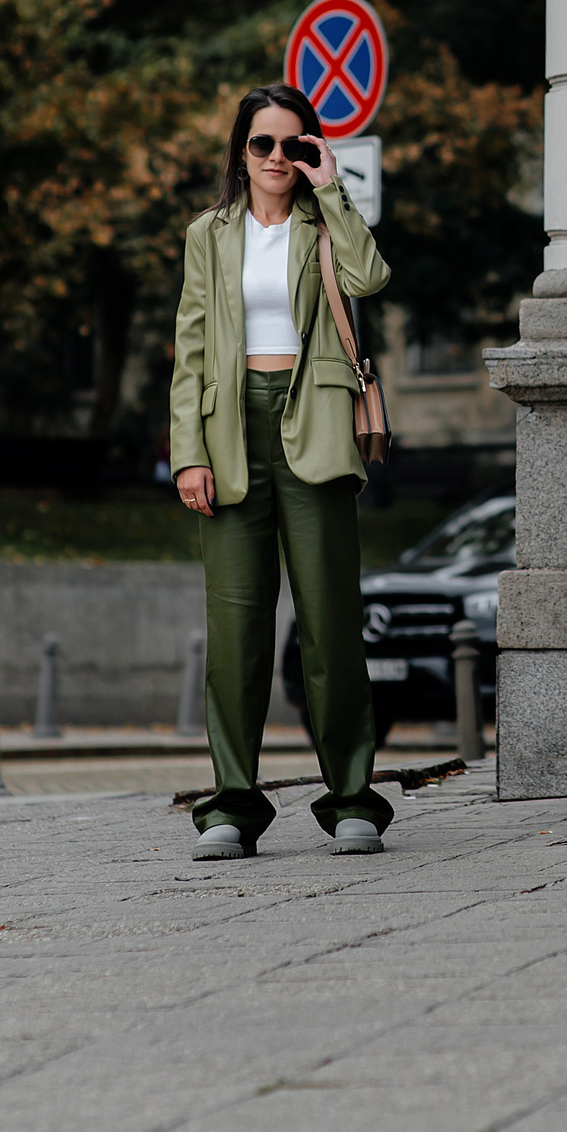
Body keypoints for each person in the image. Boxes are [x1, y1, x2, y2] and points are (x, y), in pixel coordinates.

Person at [168, 83, 393, 860]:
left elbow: (369, 279)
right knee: (235, 633)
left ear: (310, 152)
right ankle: (232, 803)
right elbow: (190, 352)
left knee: (331, 623)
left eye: (292, 145)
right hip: (231, 435)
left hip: (318, 429)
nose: (275, 158)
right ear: (240, 151)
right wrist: (186, 452)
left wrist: (333, 189)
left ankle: (353, 798)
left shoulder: (322, 223)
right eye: (262, 144)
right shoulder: (209, 234)